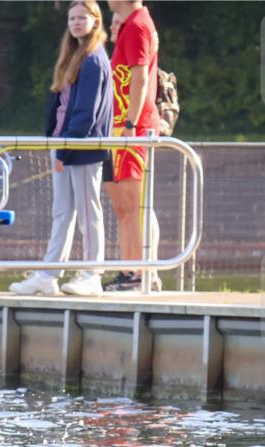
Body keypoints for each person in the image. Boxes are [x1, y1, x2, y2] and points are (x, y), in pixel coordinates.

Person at [10, 0, 112, 297]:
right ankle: (48, 273)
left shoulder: (93, 59)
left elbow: (85, 113)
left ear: (96, 21)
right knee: (62, 213)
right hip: (63, 145)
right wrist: (55, 145)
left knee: (87, 212)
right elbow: (61, 106)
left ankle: (92, 274)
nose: (77, 23)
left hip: (81, 149)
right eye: (73, 18)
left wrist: (65, 151)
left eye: (83, 18)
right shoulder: (73, 55)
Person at [103, 0, 162, 292]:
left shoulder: (138, 25)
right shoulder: (130, 25)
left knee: (133, 207)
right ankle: (130, 271)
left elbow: (139, 78)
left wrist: (129, 125)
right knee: (125, 210)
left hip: (129, 131)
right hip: (121, 129)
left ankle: (139, 273)